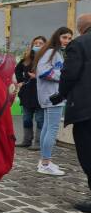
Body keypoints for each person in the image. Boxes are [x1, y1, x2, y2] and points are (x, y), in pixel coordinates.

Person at [59, 14, 91, 212]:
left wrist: (60, 94)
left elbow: (69, 74)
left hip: (86, 110)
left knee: (88, 153)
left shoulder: (79, 44)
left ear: (81, 28)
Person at [33, 26, 73, 176]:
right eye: (64, 37)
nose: (67, 41)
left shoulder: (53, 52)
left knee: (47, 127)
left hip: (50, 95)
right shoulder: (51, 52)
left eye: (69, 38)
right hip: (53, 96)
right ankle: (45, 163)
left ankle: (44, 161)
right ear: (57, 37)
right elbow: (44, 73)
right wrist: (64, 75)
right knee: (52, 129)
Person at [15, 36, 47, 149]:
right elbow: (17, 69)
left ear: (45, 45)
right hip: (27, 93)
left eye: (40, 43)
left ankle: (38, 142)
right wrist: (20, 81)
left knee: (40, 119)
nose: (37, 45)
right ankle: (26, 140)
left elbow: (52, 73)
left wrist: (38, 76)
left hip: (40, 93)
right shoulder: (27, 58)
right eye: (36, 43)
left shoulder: (47, 58)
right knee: (26, 118)